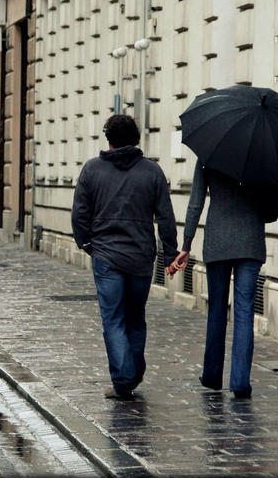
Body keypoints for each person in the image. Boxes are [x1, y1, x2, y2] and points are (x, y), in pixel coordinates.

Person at [71, 114, 178, 399]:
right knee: (135, 319)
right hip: (141, 257)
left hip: (106, 256)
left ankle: (123, 380)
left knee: (113, 319)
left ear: (109, 139)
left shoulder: (92, 170)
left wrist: (86, 244)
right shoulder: (152, 172)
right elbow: (165, 217)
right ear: (137, 139)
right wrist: (170, 253)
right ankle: (133, 373)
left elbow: (79, 214)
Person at [167, 160, 267, 399]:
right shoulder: (261, 155)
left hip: (218, 241)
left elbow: (196, 203)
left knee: (217, 311)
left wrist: (187, 244)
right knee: (244, 312)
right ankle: (241, 381)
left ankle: (212, 376)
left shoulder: (209, 154)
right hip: (251, 240)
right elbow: (270, 210)